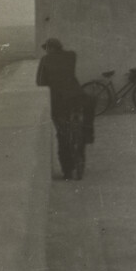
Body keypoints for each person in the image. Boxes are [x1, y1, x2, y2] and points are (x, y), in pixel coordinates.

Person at [34, 38, 85, 180]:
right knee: (78, 130)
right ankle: (79, 160)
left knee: (62, 135)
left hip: (58, 102)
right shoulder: (71, 55)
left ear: (50, 48)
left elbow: (39, 82)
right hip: (76, 98)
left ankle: (68, 170)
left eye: (47, 48)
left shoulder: (45, 60)